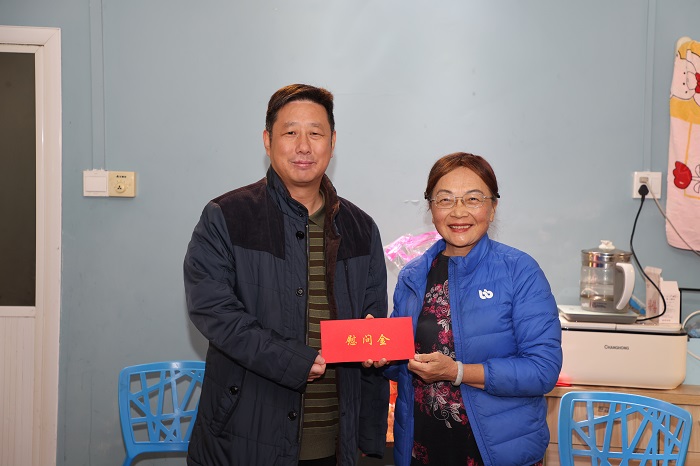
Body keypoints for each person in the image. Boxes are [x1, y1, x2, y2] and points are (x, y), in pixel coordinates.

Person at [183, 84, 389, 466]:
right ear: (267, 140)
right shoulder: (226, 216)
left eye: (315, 133)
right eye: (290, 132)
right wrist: (291, 359)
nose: (303, 146)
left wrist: (373, 344)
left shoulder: (362, 228)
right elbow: (214, 312)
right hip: (245, 437)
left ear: (333, 142)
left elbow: (373, 313)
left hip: (335, 441)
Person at [384, 152, 562, 466]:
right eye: (445, 199)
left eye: (473, 199)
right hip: (423, 447)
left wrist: (458, 372)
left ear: (492, 208)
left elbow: (542, 370)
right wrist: (377, 351)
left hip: (496, 452)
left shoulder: (519, 271)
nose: (458, 211)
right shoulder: (413, 276)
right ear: (431, 208)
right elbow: (400, 365)